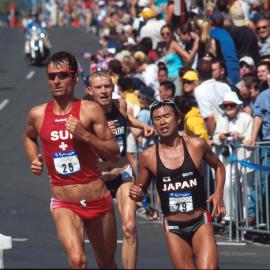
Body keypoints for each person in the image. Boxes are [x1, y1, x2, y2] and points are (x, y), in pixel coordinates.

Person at [22, 51, 121, 269]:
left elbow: (114, 154)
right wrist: (34, 158)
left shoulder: (90, 110)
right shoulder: (38, 114)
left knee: (106, 263)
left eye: (63, 75)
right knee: (77, 260)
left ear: (75, 78)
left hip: (97, 200)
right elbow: (28, 136)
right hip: (64, 202)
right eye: (51, 76)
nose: (56, 81)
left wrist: (85, 135)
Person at [129, 99, 226, 269]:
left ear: (178, 119)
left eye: (166, 116)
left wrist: (219, 193)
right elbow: (140, 189)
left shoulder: (196, 145)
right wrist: (136, 193)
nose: (162, 121)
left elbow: (219, 166)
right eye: (157, 119)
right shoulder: (148, 156)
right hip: (173, 227)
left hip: (200, 221)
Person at [86, 71, 155, 269]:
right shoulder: (85, 112)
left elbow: (127, 119)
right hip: (97, 179)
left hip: (122, 173)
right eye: (98, 87)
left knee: (130, 227)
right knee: (102, 237)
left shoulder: (120, 104)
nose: (104, 90)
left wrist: (143, 125)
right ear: (90, 91)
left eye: (107, 86)